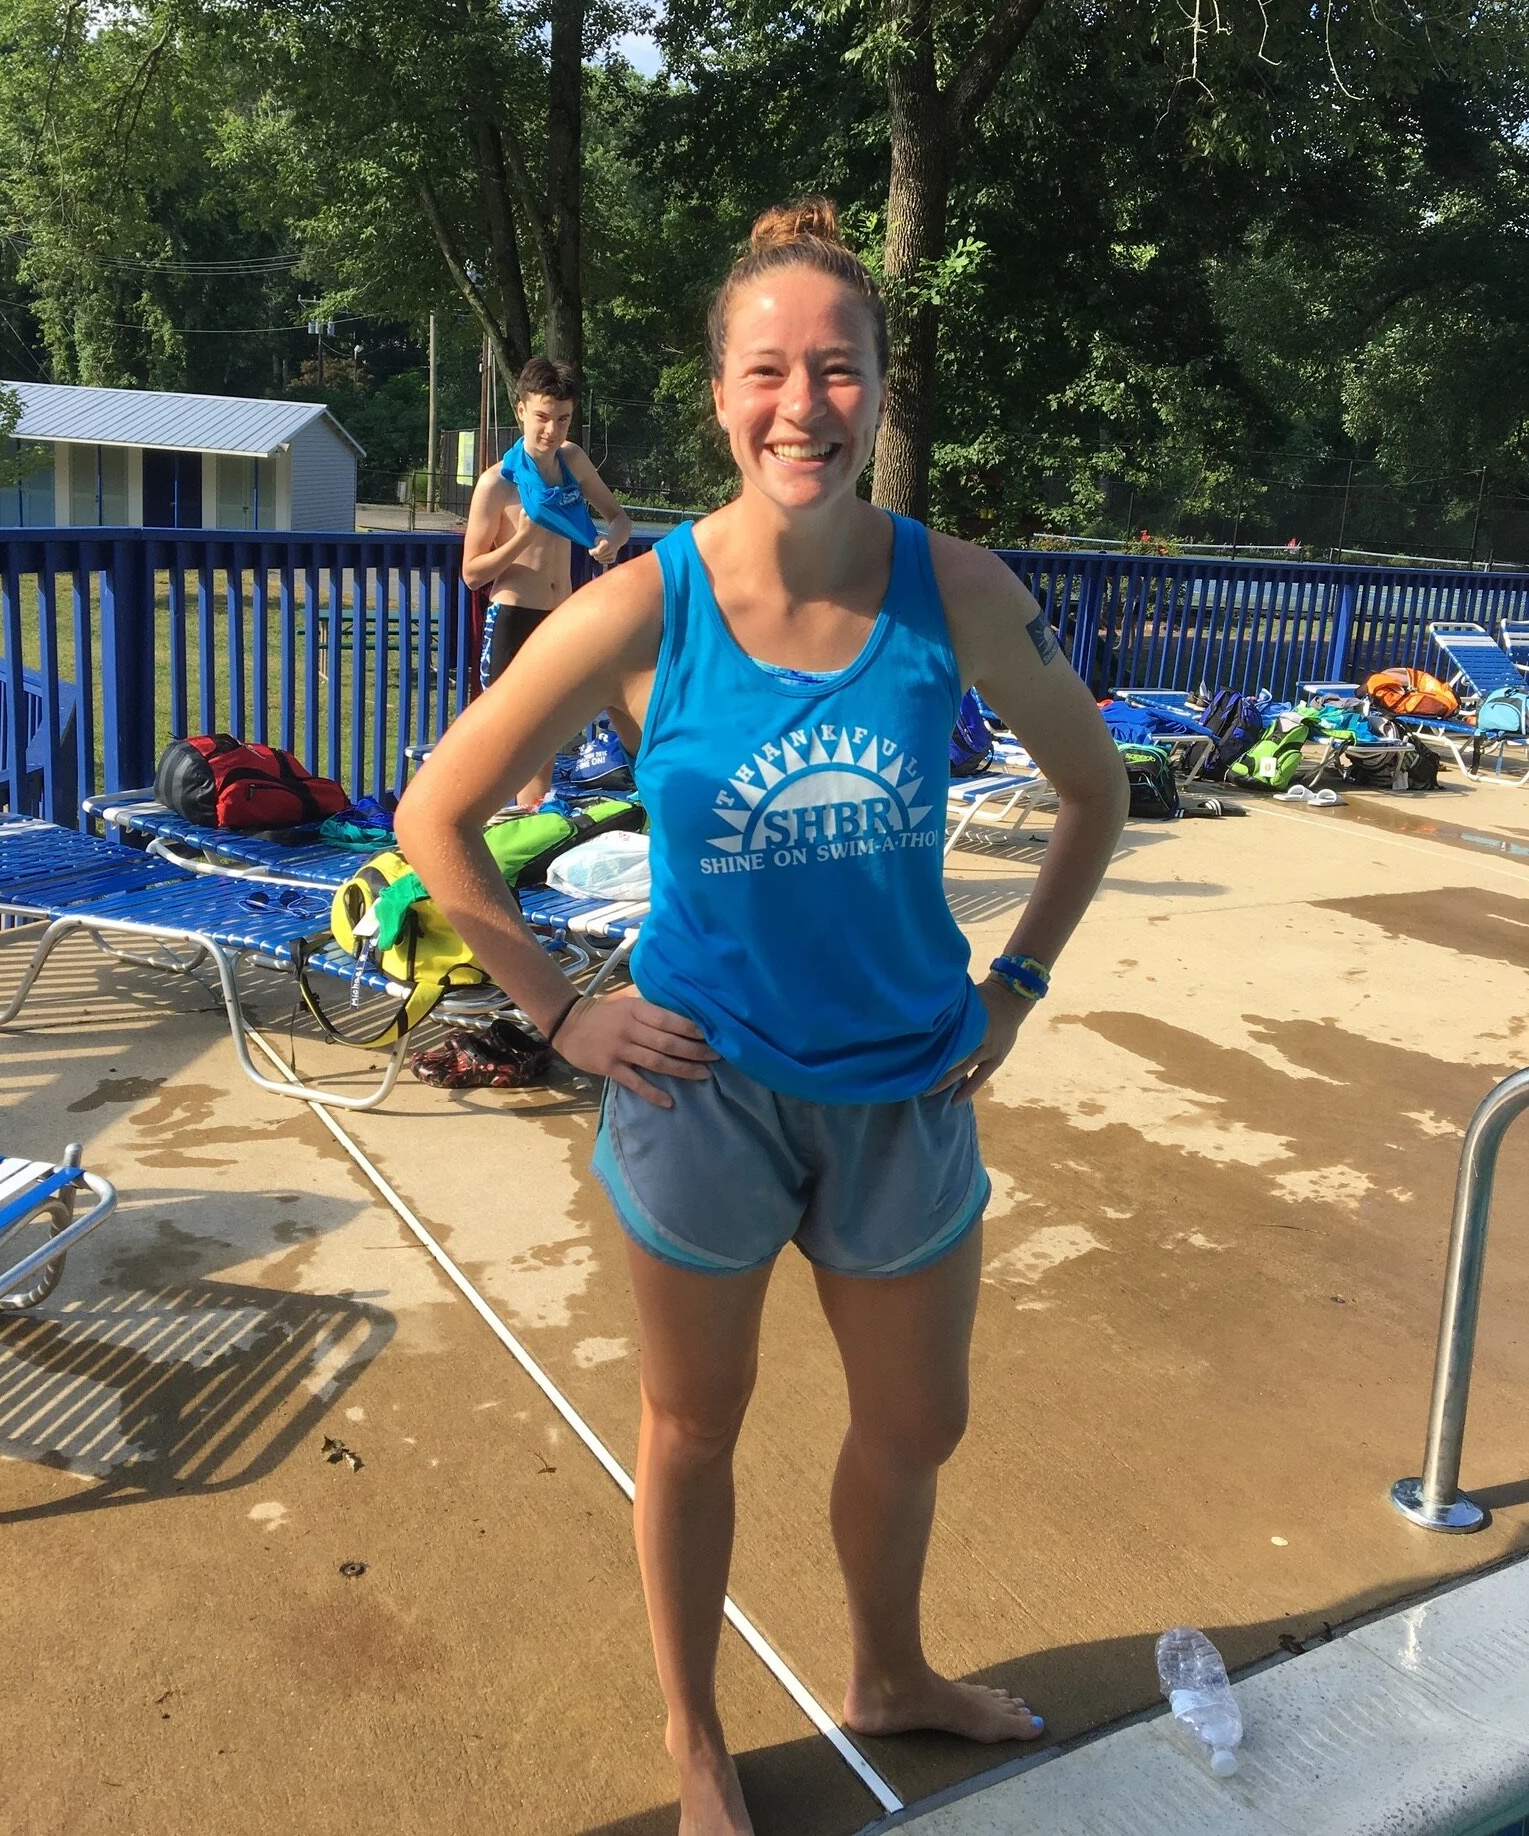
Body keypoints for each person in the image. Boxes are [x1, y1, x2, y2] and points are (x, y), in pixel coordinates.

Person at [396, 201, 1128, 1835]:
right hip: (700, 1086)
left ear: (879, 385)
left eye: (838, 368)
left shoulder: (955, 592)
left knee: (918, 1419)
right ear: (720, 393)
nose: (804, 405)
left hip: (904, 1081)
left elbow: (1094, 789)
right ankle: (696, 1740)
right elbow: (435, 816)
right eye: (768, 371)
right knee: (691, 1425)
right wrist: (558, 1012)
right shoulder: (636, 609)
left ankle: (888, 1670)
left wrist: (1014, 982)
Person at [462, 352, 632, 803]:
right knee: (507, 741)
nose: (551, 431)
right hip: (514, 616)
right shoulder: (498, 483)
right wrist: (522, 538)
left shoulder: (572, 460)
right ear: (520, 410)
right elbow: (472, 574)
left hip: (560, 617)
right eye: (541, 417)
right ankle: (486, 824)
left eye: (562, 419)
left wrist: (612, 541)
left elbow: (619, 517)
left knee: (545, 740)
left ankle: (532, 822)